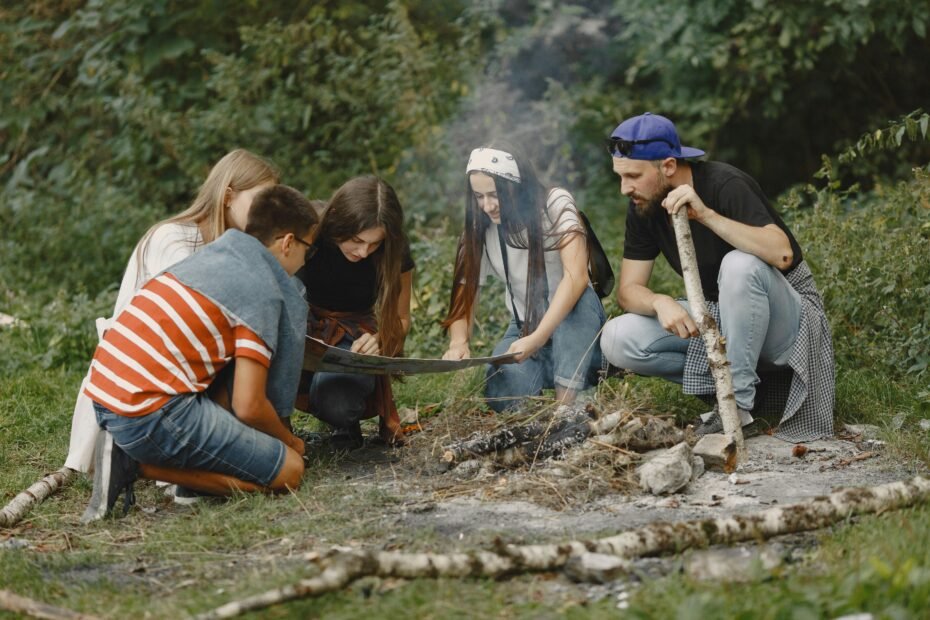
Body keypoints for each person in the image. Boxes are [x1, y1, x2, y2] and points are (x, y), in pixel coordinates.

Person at [81, 185, 315, 521]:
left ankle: (182, 474)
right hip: (146, 412)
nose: (306, 260)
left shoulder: (215, 256)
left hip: (106, 397)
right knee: (290, 471)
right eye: (309, 248)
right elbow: (248, 405)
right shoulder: (260, 287)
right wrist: (289, 442)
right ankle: (132, 464)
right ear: (288, 242)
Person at [599, 112, 834, 441]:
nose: (625, 188)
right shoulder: (644, 204)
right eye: (620, 177)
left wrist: (706, 216)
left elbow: (783, 254)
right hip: (723, 318)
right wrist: (658, 302)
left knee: (739, 265)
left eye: (633, 176)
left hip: (790, 323)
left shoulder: (725, 183)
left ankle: (736, 408)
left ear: (668, 166)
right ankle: (735, 391)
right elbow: (628, 290)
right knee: (616, 338)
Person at [66, 149, 280, 474]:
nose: (268, 214)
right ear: (228, 196)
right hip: (146, 382)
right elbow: (186, 327)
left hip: (186, 370)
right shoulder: (173, 239)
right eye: (261, 200)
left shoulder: (228, 246)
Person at [441, 142, 606, 412]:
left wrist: (538, 338)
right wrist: (458, 342)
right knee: (503, 393)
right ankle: (538, 396)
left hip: (578, 321)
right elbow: (464, 289)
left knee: (577, 306)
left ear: (516, 186)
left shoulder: (555, 203)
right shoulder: (480, 226)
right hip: (524, 326)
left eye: (494, 195)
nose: (487, 206)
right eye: (479, 196)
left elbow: (576, 277)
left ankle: (565, 411)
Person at [296, 176, 413, 448]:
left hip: (352, 334)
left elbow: (401, 317)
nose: (363, 252)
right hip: (299, 326)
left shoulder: (394, 249)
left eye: (374, 244)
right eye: (357, 240)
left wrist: (381, 339)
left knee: (338, 403)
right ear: (338, 220)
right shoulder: (308, 227)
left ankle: (342, 418)